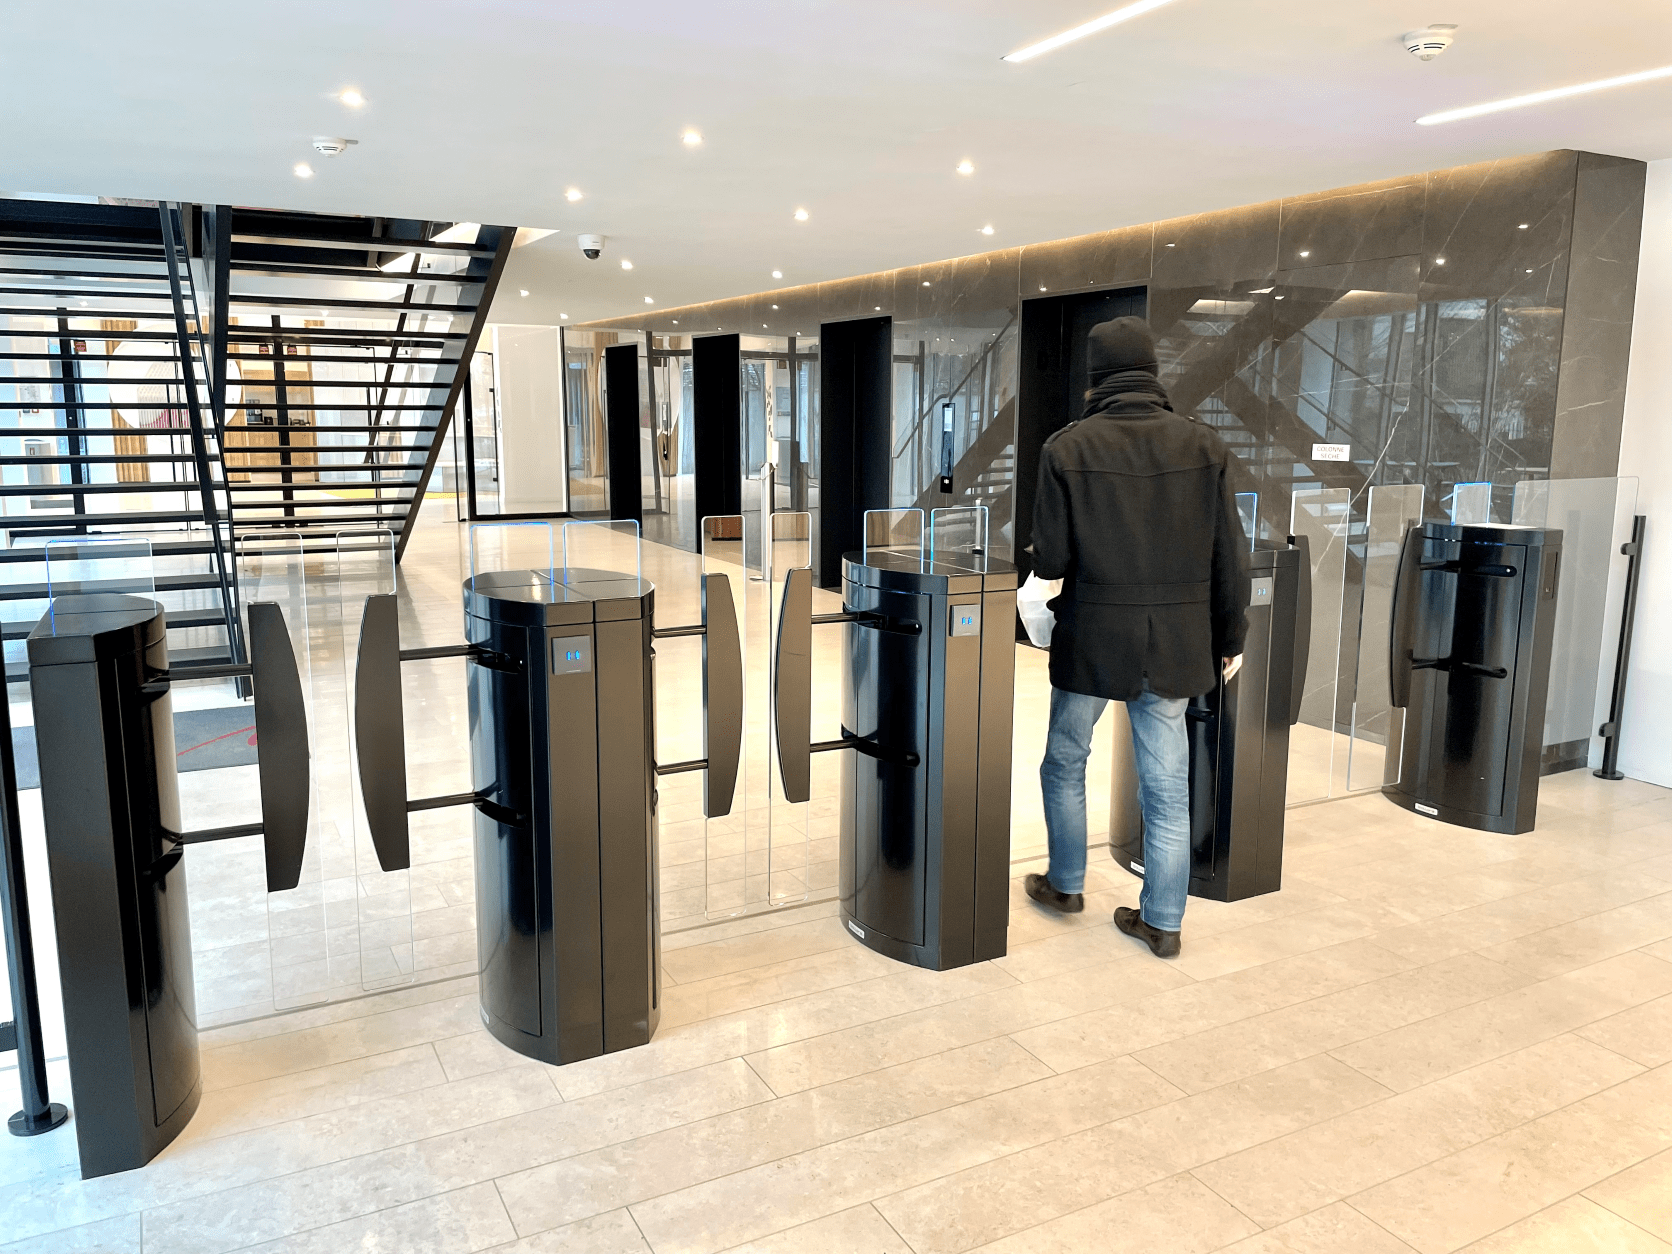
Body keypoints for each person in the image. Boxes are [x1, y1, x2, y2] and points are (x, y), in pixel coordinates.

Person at [1024, 316, 1250, 958]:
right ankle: (1163, 922)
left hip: (1094, 636)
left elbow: (1053, 559)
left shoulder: (1066, 448)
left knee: (1066, 760)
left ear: (1095, 377)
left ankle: (1066, 884)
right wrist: (1230, 636)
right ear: (1152, 370)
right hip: (1177, 640)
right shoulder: (1204, 444)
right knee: (1166, 785)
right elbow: (1230, 558)